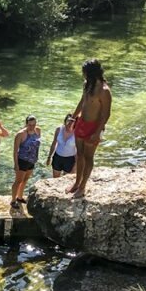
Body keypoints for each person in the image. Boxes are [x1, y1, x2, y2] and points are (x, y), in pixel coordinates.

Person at [71, 59, 112, 198]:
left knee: (89, 157)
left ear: (91, 73)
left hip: (93, 127)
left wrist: (98, 132)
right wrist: (73, 117)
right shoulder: (86, 84)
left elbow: (106, 114)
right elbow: (82, 101)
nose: (83, 75)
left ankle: (82, 187)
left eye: (85, 72)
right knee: (79, 155)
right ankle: (76, 183)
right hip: (81, 123)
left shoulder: (104, 91)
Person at [12, 115, 42, 209]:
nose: (32, 127)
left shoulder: (38, 130)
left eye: (33, 124)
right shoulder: (20, 134)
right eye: (29, 125)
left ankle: (20, 197)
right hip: (22, 160)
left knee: (25, 180)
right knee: (18, 181)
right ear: (26, 124)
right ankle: (13, 200)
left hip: (32, 160)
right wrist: (16, 164)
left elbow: (37, 145)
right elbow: (15, 150)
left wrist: (36, 158)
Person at [46, 114, 77, 179]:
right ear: (65, 121)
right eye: (68, 121)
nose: (69, 123)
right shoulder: (59, 129)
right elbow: (54, 143)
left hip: (70, 159)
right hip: (57, 157)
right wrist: (49, 157)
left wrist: (76, 165)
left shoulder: (76, 133)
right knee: (55, 179)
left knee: (67, 179)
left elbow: (79, 150)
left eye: (72, 121)